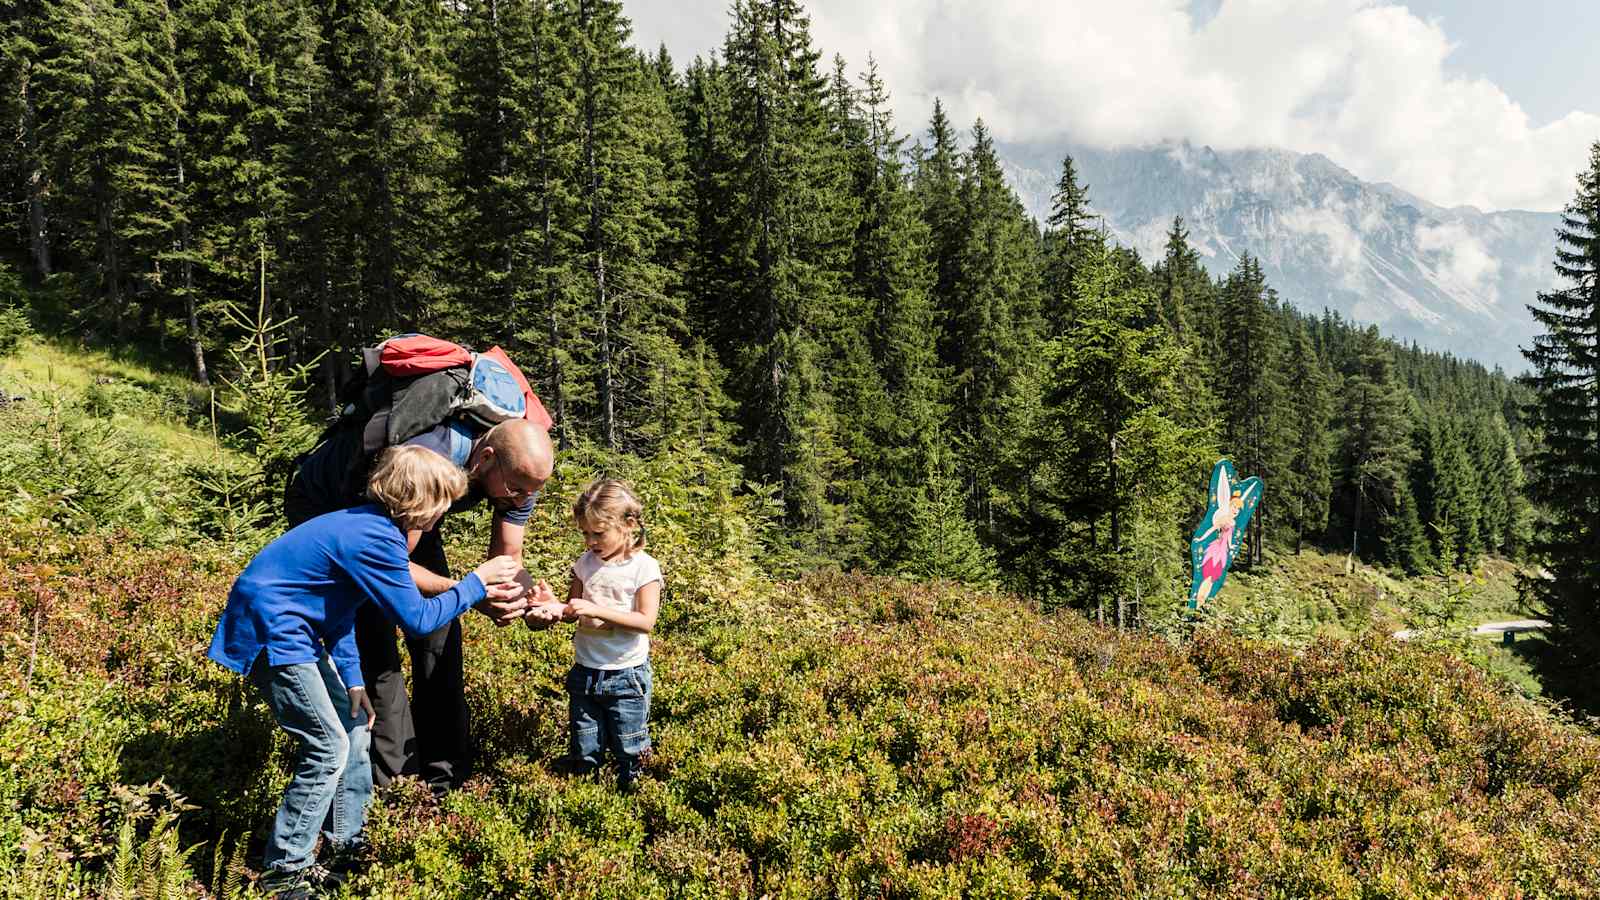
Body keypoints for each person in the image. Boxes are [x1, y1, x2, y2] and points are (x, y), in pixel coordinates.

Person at [207, 446, 522, 896]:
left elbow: (340, 611)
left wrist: (353, 680)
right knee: (328, 746)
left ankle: (346, 847)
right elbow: (417, 619)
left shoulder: (372, 528)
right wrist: (477, 583)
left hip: (295, 628)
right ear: (425, 505)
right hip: (272, 632)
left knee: (356, 726)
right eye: (443, 506)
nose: (444, 515)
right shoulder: (373, 538)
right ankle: (285, 874)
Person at [286, 411, 561, 795]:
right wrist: (468, 591)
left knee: (440, 634)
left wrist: (532, 600)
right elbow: (390, 563)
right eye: (516, 489)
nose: (521, 499)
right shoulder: (427, 455)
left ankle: (445, 777)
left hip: (418, 516)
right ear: (485, 459)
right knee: (377, 645)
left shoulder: (518, 475)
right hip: (338, 512)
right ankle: (396, 785)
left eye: (531, 492)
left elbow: (509, 559)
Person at [543, 479, 663, 792]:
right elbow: (574, 610)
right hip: (585, 672)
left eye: (598, 533)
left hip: (626, 675)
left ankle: (632, 804)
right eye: (585, 533)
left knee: (630, 751)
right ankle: (588, 806)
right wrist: (552, 606)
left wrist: (597, 611)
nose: (590, 541)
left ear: (629, 524)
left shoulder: (644, 568)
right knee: (584, 749)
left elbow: (645, 621)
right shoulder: (584, 564)